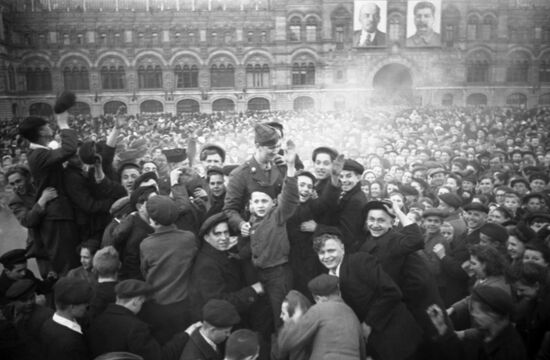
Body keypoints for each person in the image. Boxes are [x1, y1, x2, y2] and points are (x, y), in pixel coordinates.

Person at [313, 230, 422, 360]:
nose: (327, 256)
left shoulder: (359, 261)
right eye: (322, 253)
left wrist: (368, 323)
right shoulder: (331, 277)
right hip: (376, 346)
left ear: (342, 248)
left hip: (398, 338)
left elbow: (392, 292)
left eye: (331, 250)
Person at [18, 91, 80, 274]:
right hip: (56, 215)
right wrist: (63, 123)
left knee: (69, 258)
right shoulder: (38, 155)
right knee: (65, 260)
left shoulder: (40, 152)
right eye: (47, 125)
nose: (50, 126)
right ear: (41, 131)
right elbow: (69, 149)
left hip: (59, 213)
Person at [140, 195, 198, 342]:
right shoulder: (188, 238)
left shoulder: (146, 244)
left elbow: (144, 272)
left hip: (158, 308)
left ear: (152, 219)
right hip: (184, 306)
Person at [87, 279, 191, 360]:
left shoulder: (98, 320)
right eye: (142, 302)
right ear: (136, 301)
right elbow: (160, 357)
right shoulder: (135, 328)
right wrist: (186, 334)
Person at [278, 274, 365, 360]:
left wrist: (295, 318)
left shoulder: (318, 310)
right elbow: (362, 353)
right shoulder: (352, 315)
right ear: (338, 293)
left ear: (318, 298)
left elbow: (286, 341)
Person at [427, 285, 527, 360]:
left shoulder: (509, 352)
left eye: (476, 311)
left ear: (493, 314)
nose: (473, 315)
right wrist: (442, 328)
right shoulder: (489, 331)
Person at [223, 124, 285, 237]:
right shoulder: (240, 174)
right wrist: (241, 224)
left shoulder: (281, 167)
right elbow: (230, 209)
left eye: (278, 146)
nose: (276, 151)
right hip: (254, 234)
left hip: (279, 234)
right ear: (258, 146)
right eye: (271, 148)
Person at [5, 165, 54, 277]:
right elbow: (27, 220)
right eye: (12, 184)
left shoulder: (40, 186)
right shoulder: (15, 201)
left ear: (27, 178)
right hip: (41, 245)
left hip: (58, 236)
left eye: (18, 181)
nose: (16, 186)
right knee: (50, 279)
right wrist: (42, 201)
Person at [40, 277, 93, 360]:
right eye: (85, 304)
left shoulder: (47, 324)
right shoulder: (70, 342)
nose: (87, 307)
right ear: (72, 307)